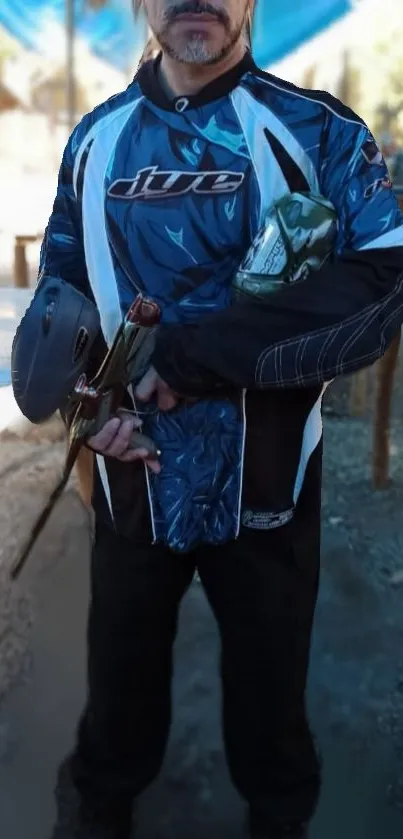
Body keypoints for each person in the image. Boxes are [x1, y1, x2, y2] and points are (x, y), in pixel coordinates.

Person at [37, 1, 403, 837]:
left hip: (269, 482)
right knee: (118, 682)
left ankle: (277, 816)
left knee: (270, 697)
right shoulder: (95, 139)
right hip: (132, 474)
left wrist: (197, 357)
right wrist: (83, 411)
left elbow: (382, 277)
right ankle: (100, 806)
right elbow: (61, 296)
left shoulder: (319, 131)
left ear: (250, 2)